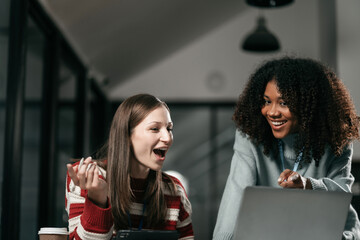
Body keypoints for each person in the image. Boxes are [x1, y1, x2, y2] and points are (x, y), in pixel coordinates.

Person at [213, 57, 360, 240]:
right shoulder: (250, 137)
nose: (272, 112)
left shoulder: (336, 140)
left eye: (283, 103)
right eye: (267, 101)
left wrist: (307, 185)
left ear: (310, 105)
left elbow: (341, 196)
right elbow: (236, 195)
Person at [65, 93, 194, 240]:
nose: (167, 138)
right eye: (155, 129)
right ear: (126, 135)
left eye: (169, 129)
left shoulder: (174, 190)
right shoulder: (89, 177)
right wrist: (98, 199)